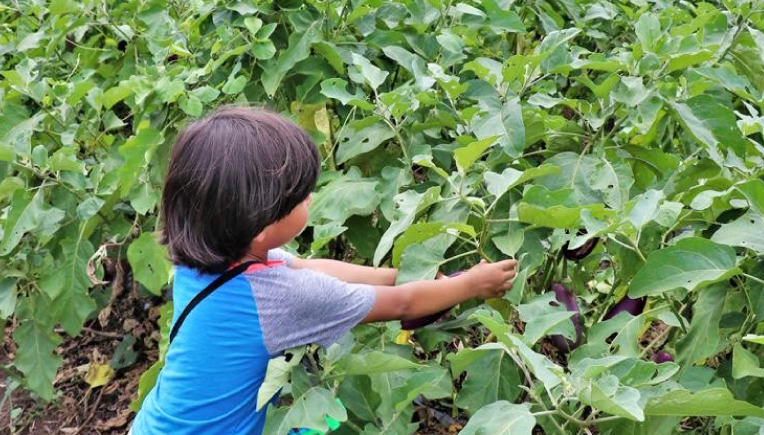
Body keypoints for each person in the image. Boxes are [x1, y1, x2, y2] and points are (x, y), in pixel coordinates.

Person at [130, 106, 517, 435]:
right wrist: (471, 284)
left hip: (156, 425)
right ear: (260, 227)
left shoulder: (207, 256)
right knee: (325, 420)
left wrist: (409, 274)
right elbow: (403, 304)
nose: (311, 197)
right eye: (301, 196)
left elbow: (310, 267)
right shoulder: (280, 298)